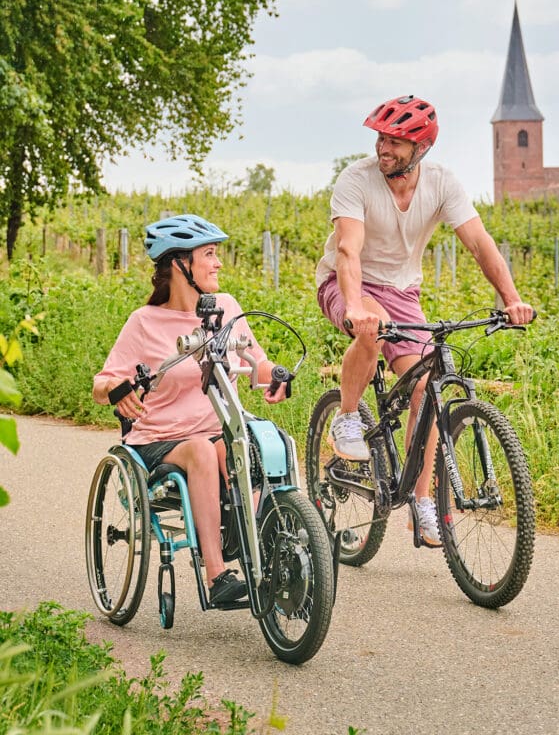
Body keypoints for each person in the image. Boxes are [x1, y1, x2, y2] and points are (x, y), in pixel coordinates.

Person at [316, 94, 535, 548]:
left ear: (421, 148)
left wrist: (512, 299)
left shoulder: (441, 183)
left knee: (425, 385)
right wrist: (356, 306)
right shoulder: (355, 180)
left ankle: (421, 505)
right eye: (380, 138)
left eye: (395, 141)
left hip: (403, 292)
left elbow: (479, 243)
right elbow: (347, 250)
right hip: (346, 283)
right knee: (370, 327)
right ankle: (348, 416)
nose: (383, 148)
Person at [93, 214, 288, 606]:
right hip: (160, 440)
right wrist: (117, 390)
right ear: (180, 265)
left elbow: (257, 362)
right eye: (210, 254)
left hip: (221, 430)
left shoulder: (226, 308)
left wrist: (276, 375)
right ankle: (217, 576)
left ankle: (267, 547)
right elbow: (102, 384)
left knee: (265, 442)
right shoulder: (144, 322)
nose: (218, 263)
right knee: (203, 449)